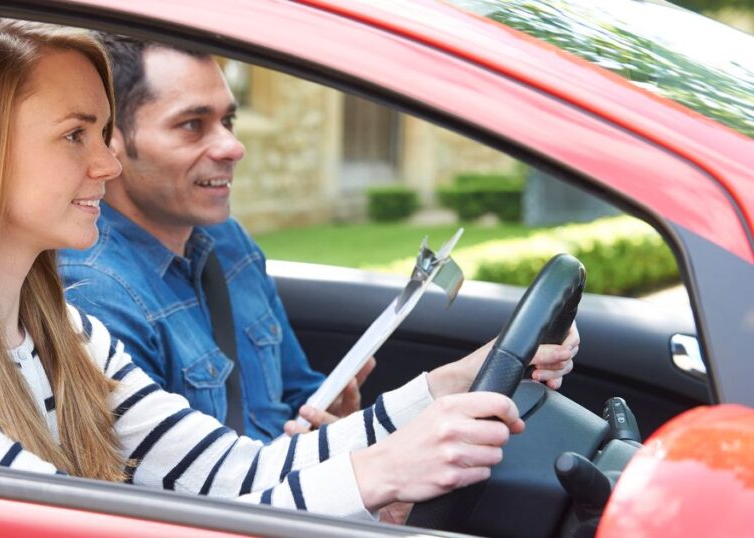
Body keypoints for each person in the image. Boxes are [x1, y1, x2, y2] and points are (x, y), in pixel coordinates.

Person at [0, 15, 578, 522]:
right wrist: (376, 476)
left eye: (107, 132)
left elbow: (238, 477)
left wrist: (441, 391)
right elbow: (88, 533)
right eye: (76, 135)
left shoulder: (67, 340)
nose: (110, 161)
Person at [56, 34, 576, 440]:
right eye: (193, 125)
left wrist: (335, 418)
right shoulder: (95, 293)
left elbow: (295, 392)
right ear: (112, 143)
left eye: (229, 120)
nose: (232, 147)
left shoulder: (228, 243)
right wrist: (438, 394)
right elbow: (183, 491)